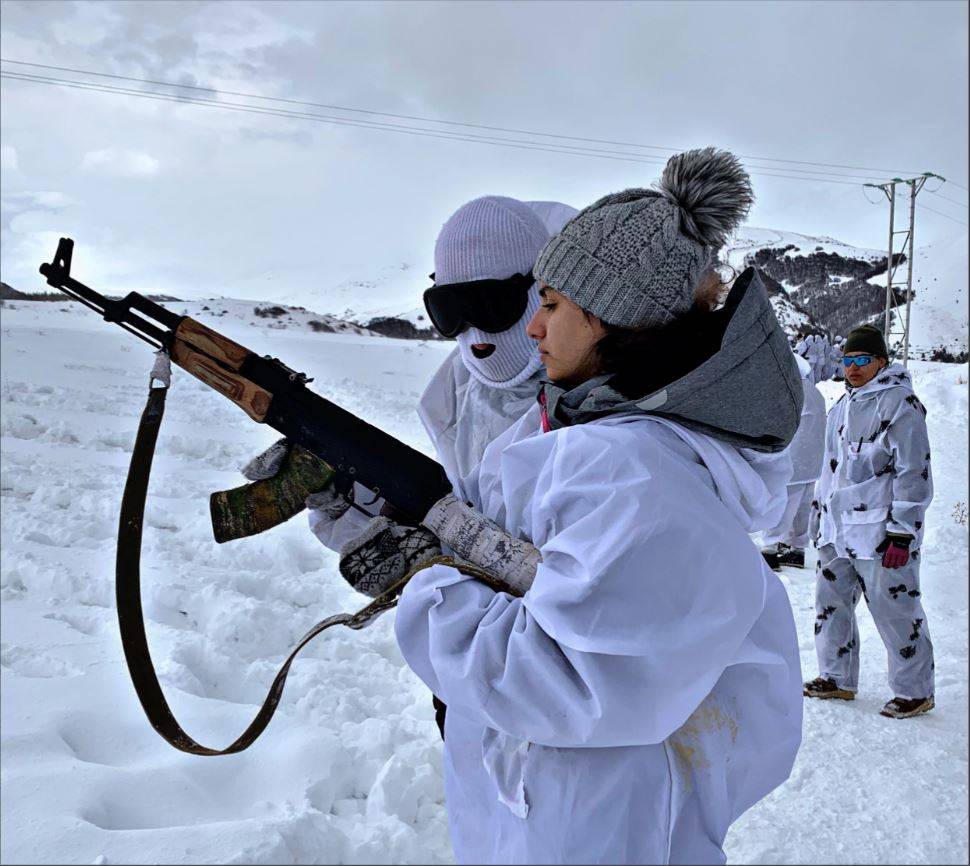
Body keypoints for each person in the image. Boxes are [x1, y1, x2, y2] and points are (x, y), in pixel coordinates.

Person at [393, 148, 803, 864]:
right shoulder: (593, 436)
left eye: (550, 305)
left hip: (590, 823)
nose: (532, 329)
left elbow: (570, 683)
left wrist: (423, 588)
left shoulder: (634, 471)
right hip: (556, 806)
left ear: (611, 318)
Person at [804, 324, 935, 719]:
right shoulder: (842, 405)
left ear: (882, 361)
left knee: (895, 609)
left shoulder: (900, 404)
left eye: (863, 360)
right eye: (848, 360)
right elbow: (829, 470)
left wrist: (902, 530)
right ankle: (836, 677)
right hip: (837, 529)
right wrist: (818, 513)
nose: (853, 368)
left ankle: (915, 691)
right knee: (830, 605)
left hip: (881, 533)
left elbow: (914, 471)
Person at [761, 351, 827, 569]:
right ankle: (797, 550)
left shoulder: (788, 391)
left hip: (793, 461)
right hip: (813, 461)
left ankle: (770, 549)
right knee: (802, 510)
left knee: (781, 506)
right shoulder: (815, 392)